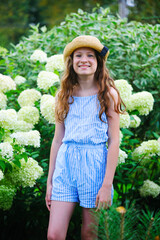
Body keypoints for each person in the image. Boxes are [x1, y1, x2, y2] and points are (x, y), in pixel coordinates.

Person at [45, 35, 124, 240]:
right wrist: (50, 181)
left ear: (98, 62)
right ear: (71, 62)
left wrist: (107, 184)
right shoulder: (64, 94)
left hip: (95, 167)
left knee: (89, 235)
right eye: (78, 55)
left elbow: (114, 141)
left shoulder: (108, 94)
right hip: (65, 166)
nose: (84, 60)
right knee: (54, 235)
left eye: (90, 55)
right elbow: (57, 140)